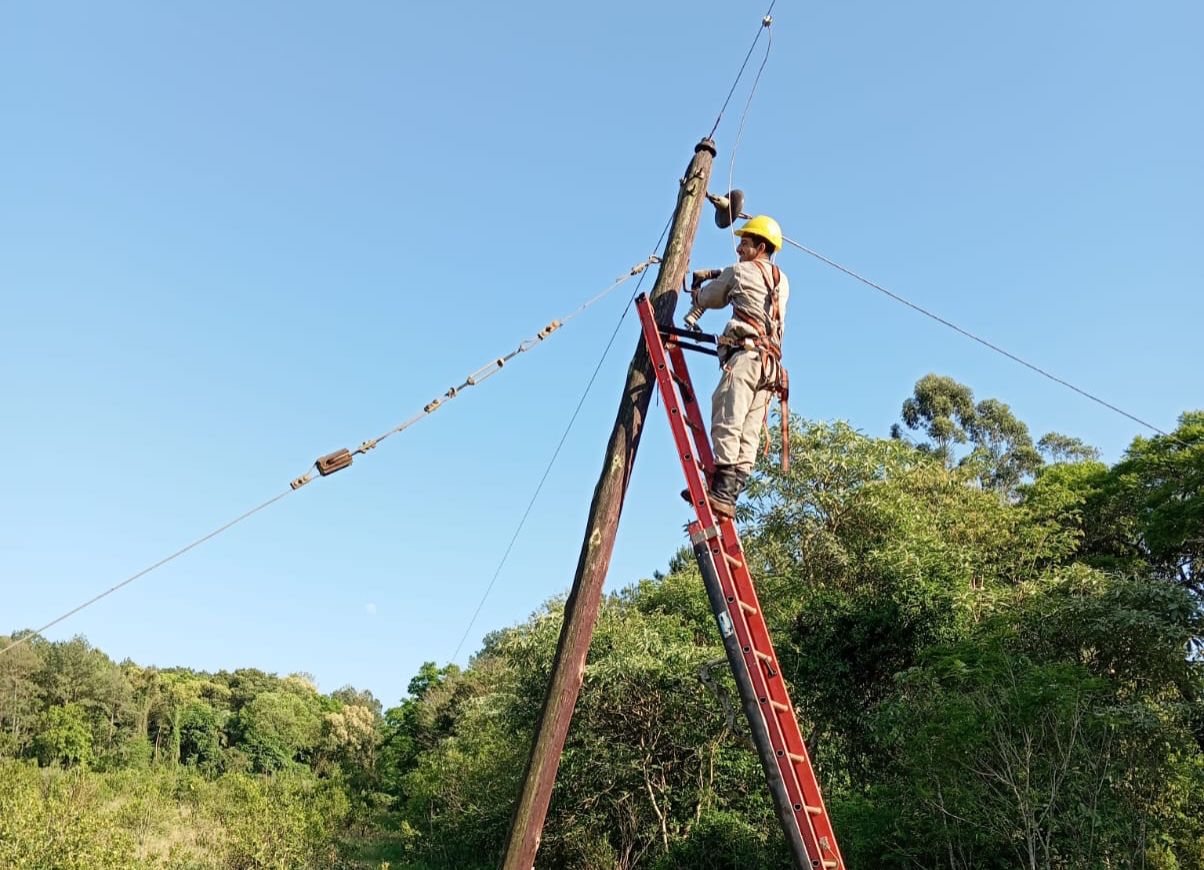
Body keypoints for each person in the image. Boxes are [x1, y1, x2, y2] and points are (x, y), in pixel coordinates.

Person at [687, 214, 790, 519]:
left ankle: (720, 491)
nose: (738, 249)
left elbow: (712, 297)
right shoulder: (782, 281)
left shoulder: (739, 272)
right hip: (770, 369)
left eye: (744, 243)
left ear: (761, 246)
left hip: (745, 359)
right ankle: (728, 494)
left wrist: (696, 289)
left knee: (727, 416)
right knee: (749, 432)